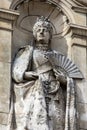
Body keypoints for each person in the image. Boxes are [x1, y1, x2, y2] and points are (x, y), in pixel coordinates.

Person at [9, 16, 83, 130]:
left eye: (45, 30)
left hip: (55, 96)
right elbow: (16, 71)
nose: (41, 32)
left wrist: (65, 80)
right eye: (38, 30)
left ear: (50, 35)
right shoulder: (28, 51)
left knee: (55, 124)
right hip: (35, 92)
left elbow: (70, 80)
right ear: (34, 34)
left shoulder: (57, 55)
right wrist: (25, 75)